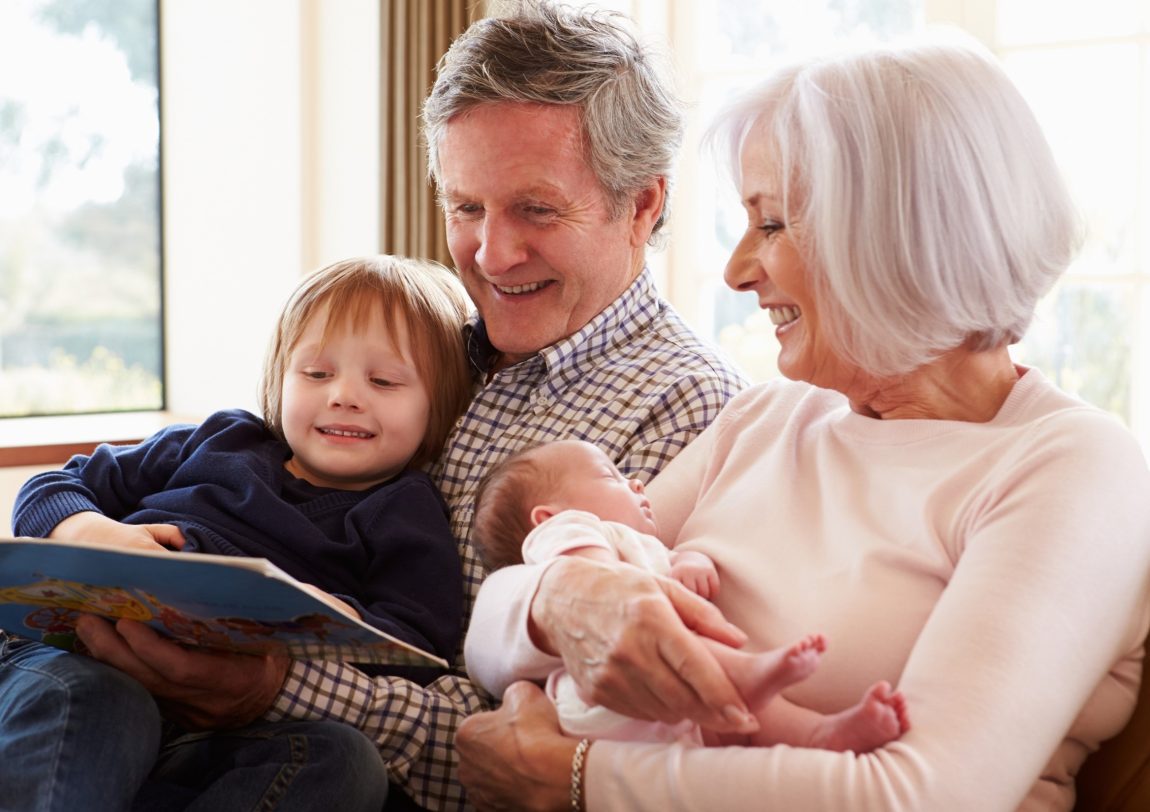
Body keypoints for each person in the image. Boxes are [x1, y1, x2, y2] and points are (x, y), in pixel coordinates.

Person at [57, 3, 747, 809]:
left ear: (642, 205)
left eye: (536, 209)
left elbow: (548, 749)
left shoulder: (690, 410)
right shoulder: (422, 343)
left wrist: (272, 690)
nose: (491, 254)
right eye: (466, 207)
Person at [454, 35, 1150, 812]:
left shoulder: (1071, 465)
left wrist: (577, 777)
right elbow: (489, 632)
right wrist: (558, 603)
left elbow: (917, 796)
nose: (736, 271)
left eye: (772, 225)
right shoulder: (766, 417)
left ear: (895, 235)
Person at [0, 254, 472, 811]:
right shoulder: (222, 439)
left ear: (439, 405)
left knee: (343, 760)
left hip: (218, 733)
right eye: (316, 374)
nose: (343, 395)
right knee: (107, 701)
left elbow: (420, 646)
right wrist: (89, 531)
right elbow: (57, 484)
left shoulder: (407, 511)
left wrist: (331, 617)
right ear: (280, 378)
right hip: (69, 663)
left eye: (384, 380)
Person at [472, 438, 909, 752]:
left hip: (663, 730)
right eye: (611, 475)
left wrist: (691, 561)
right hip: (601, 697)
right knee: (689, 646)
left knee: (745, 723)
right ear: (547, 517)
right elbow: (597, 589)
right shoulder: (569, 533)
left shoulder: (642, 546)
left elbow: (674, 559)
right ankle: (748, 671)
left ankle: (819, 735)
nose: (637, 482)